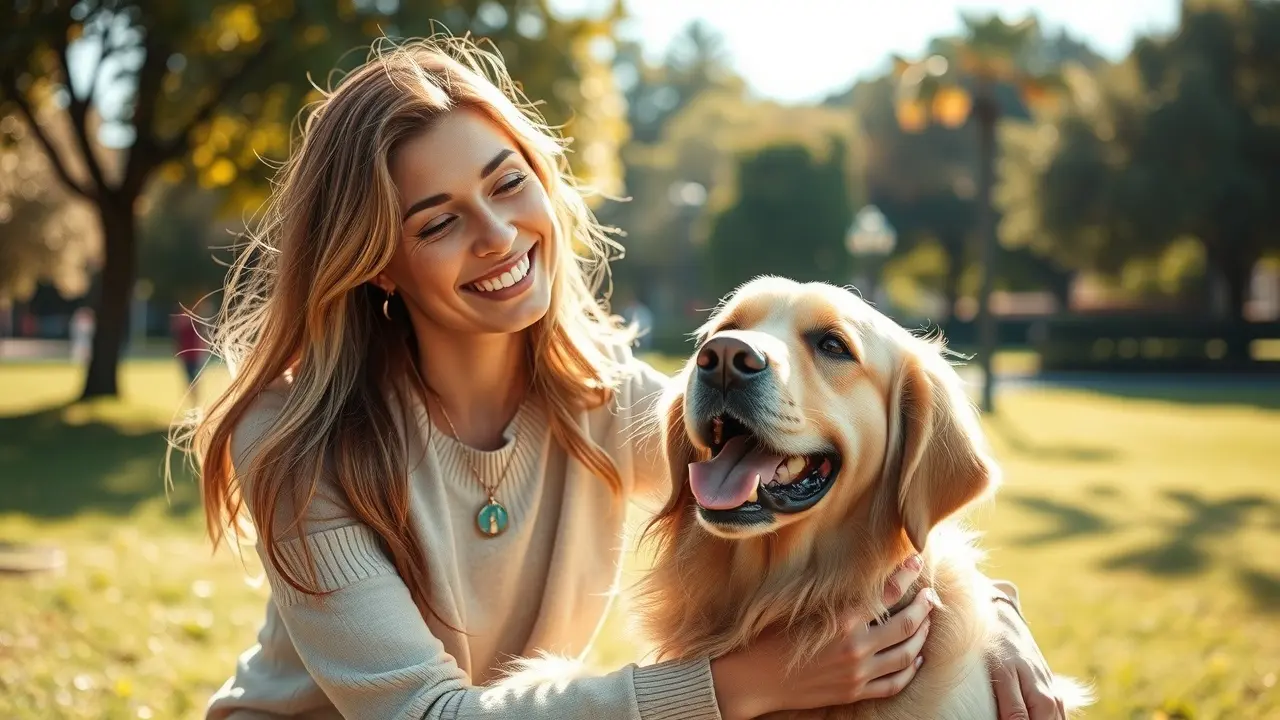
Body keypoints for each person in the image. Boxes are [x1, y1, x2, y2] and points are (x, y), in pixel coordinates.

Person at [185, 36, 1067, 720]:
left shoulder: (605, 403)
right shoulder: (300, 445)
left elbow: (866, 477)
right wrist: (727, 687)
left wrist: (987, 613)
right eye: (438, 221)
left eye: (507, 183)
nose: (497, 235)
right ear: (378, 262)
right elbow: (423, 713)